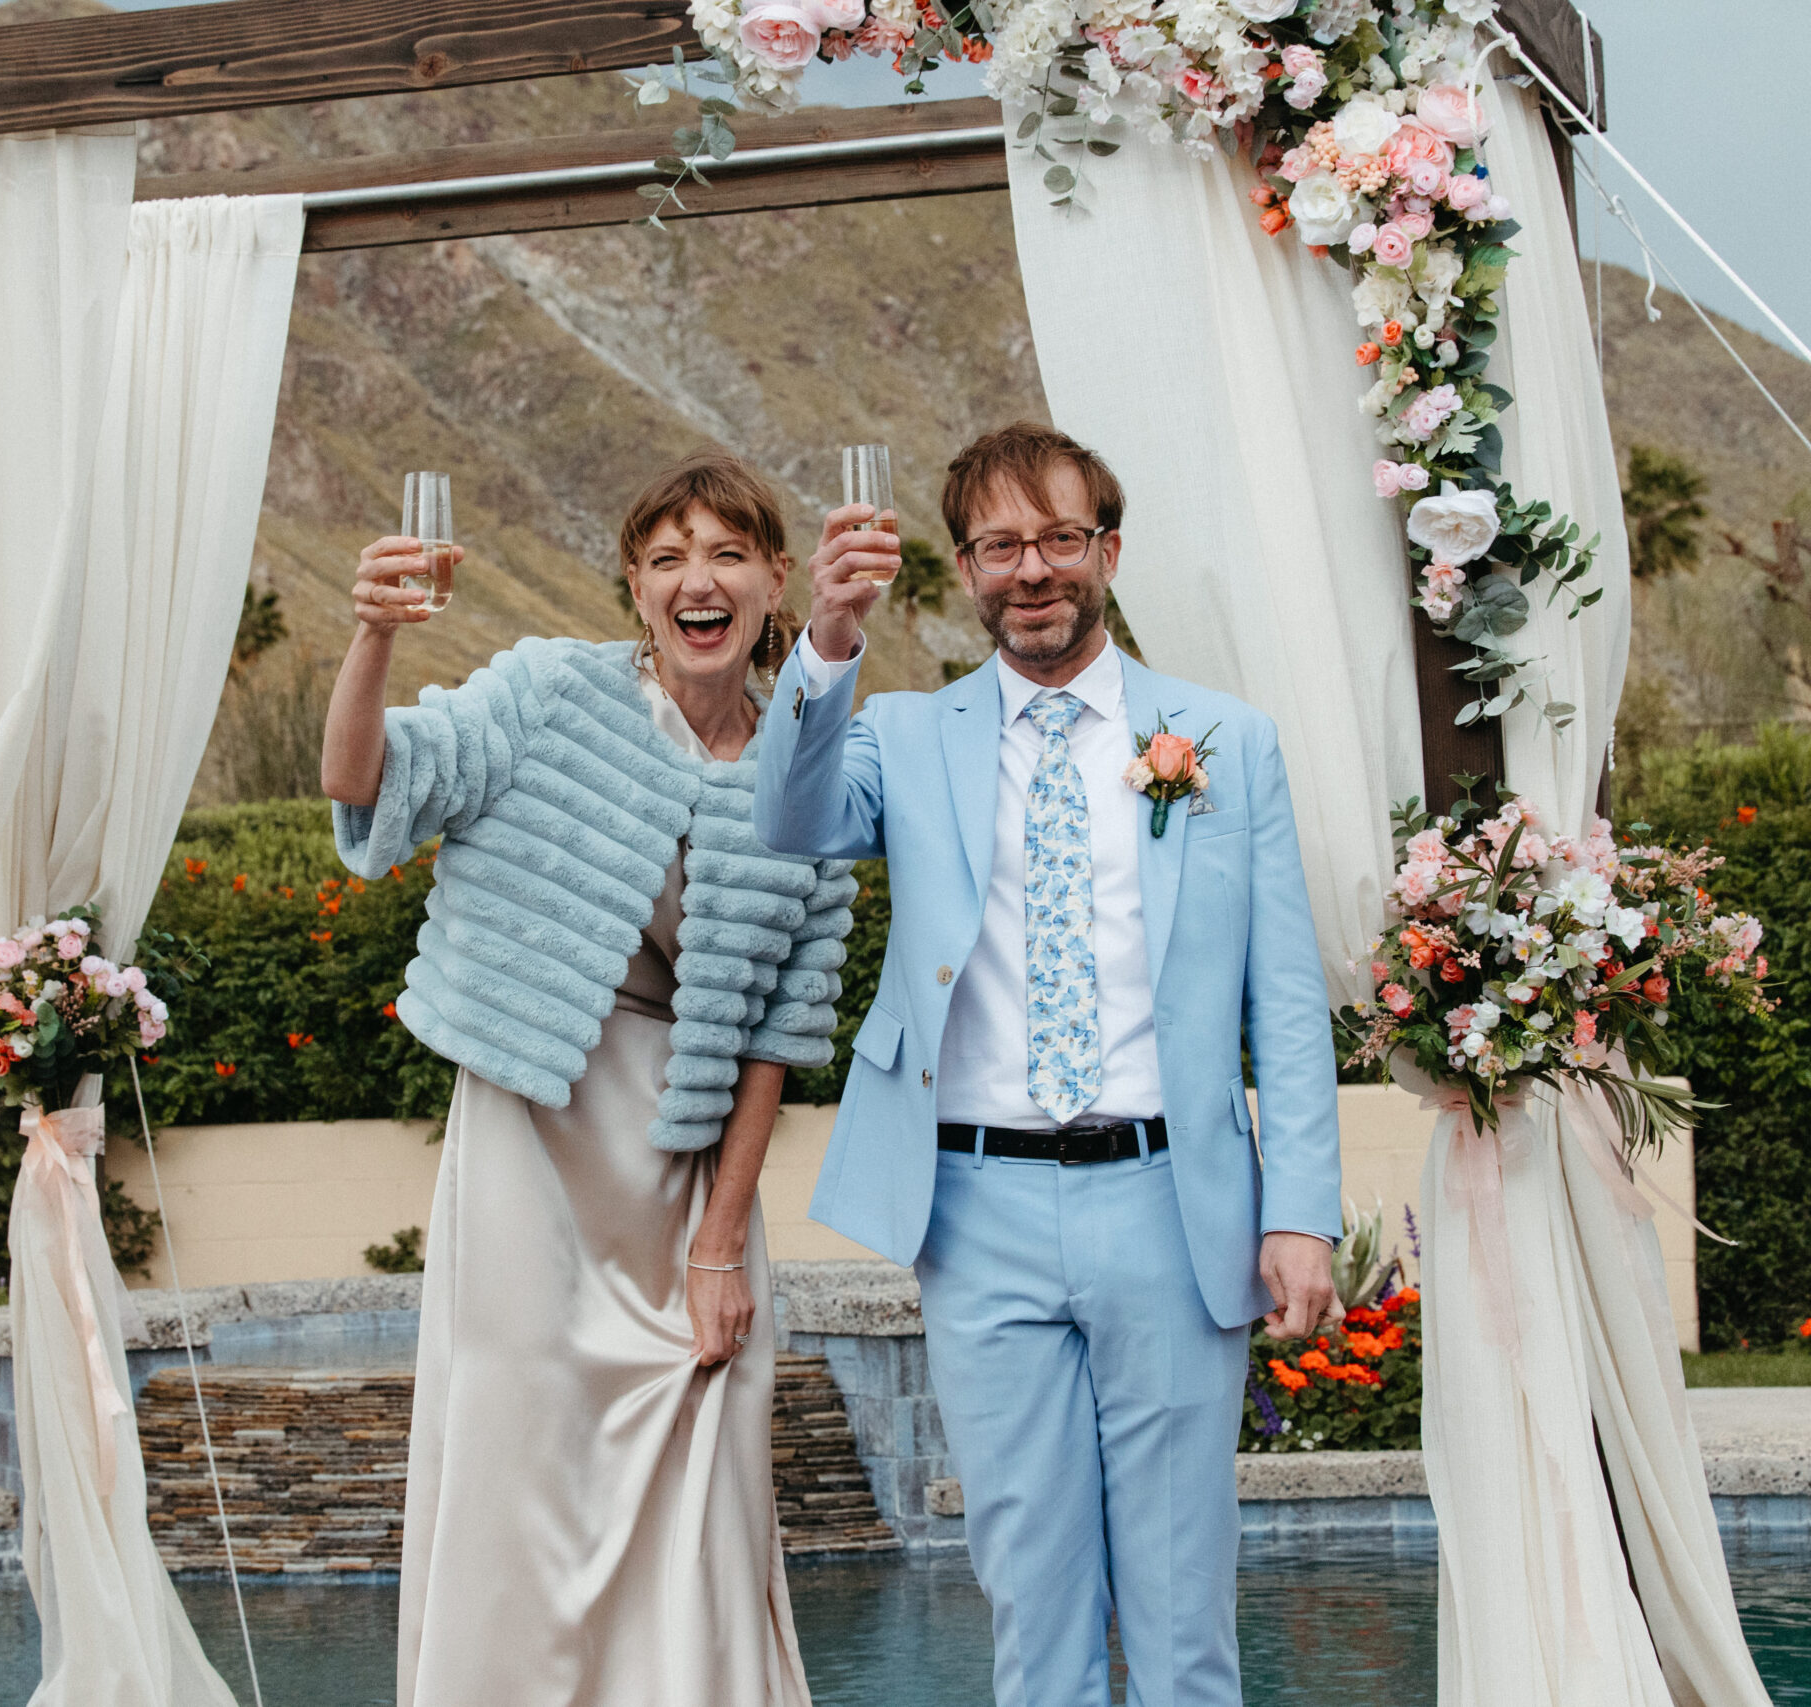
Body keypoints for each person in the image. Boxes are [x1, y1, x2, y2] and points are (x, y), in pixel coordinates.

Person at [753, 422, 1343, 1707]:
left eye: (1059, 539)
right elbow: (786, 820)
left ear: (1107, 551)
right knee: (1031, 1598)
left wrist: (1299, 1208)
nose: (1033, 570)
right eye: (1001, 545)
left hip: (1170, 1202)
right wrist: (830, 643)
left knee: (1187, 1608)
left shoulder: (1224, 741)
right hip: (977, 1208)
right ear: (963, 567)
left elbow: (1283, 998)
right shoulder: (905, 735)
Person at [324, 450, 856, 1707]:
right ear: (634, 588)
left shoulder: (810, 759)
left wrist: (722, 1241)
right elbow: (367, 786)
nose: (697, 580)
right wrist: (371, 640)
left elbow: (785, 1027)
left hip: (687, 1173)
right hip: (528, 1141)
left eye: (727, 553)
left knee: (706, 1464)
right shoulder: (548, 691)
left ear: (776, 582)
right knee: (519, 1468)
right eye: (666, 558)